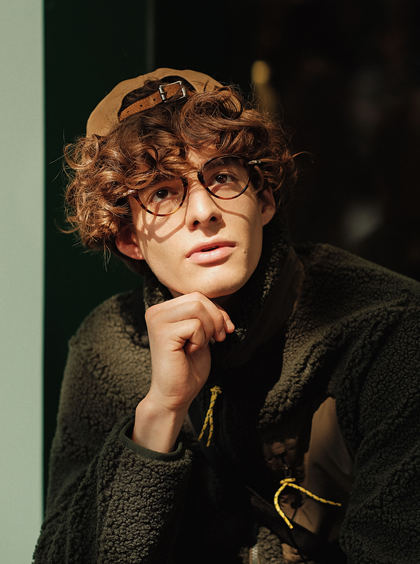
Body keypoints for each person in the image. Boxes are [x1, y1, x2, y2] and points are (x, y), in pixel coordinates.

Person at [33, 68, 420, 564]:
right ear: (128, 237)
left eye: (221, 177)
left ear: (264, 199)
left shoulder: (387, 326)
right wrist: (159, 413)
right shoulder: (110, 345)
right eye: (162, 191)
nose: (203, 211)